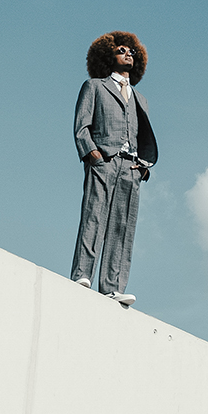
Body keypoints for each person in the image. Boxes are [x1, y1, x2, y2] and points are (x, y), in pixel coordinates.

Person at [70, 30, 158, 306]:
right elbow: (82, 126)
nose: (128, 53)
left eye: (131, 51)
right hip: (104, 160)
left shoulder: (140, 99)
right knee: (93, 216)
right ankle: (81, 274)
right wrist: (92, 153)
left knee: (123, 227)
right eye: (121, 50)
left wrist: (142, 166)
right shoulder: (94, 86)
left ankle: (112, 286)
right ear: (108, 56)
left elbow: (142, 134)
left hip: (130, 168)